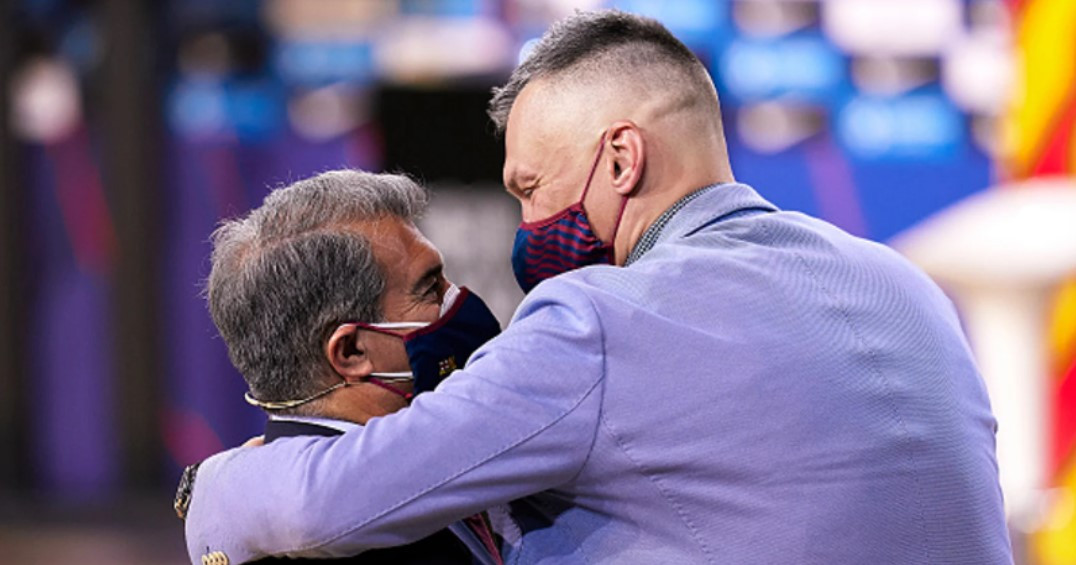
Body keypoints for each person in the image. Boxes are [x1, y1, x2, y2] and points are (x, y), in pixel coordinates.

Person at [183, 10, 1013, 564]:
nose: (524, 223)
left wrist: (210, 487)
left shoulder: (599, 321)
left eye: (530, 187)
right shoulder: (902, 283)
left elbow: (322, 505)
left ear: (621, 159)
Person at [177, 170, 503, 565]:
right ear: (351, 351)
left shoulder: (248, 501)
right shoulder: (377, 538)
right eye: (430, 287)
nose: (455, 299)